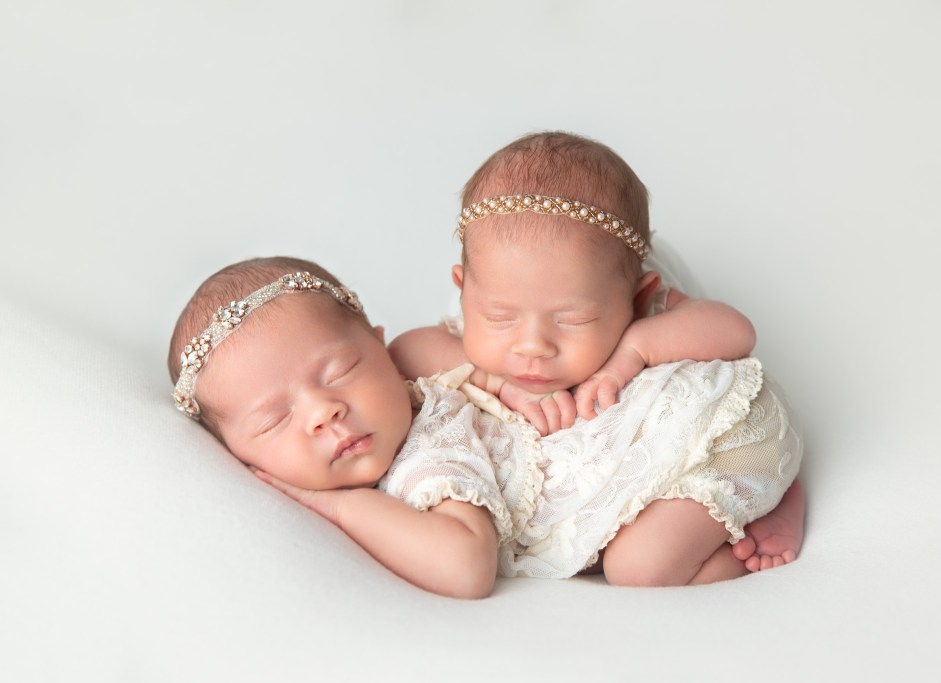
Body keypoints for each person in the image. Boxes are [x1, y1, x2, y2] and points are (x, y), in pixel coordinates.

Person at [169, 256, 798, 591]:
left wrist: (333, 505)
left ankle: (767, 498)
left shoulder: (427, 456)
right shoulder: (415, 379)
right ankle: (761, 492)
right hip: (679, 427)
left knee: (642, 570)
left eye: (341, 371)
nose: (322, 411)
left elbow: (464, 566)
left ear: (378, 345)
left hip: (715, 433)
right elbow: (421, 348)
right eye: (275, 419)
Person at [387, 131, 805, 572]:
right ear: (464, 291)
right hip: (650, 481)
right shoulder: (477, 322)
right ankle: (743, 521)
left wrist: (635, 350)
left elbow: (737, 331)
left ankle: (769, 492)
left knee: (637, 568)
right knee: (626, 560)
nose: (533, 346)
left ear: (638, 298)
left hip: (719, 445)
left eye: (572, 319)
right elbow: (404, 352)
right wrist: (495, 383)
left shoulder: (646, 318)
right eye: (500, 317)